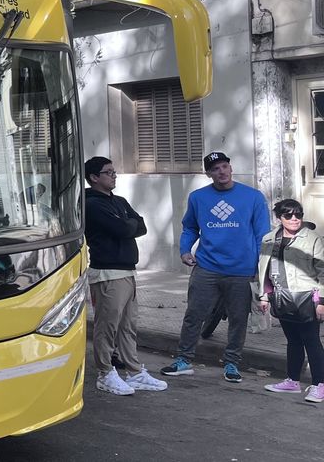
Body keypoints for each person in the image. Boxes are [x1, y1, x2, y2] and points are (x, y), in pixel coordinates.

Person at [161, 152, 269, 383]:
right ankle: (184, 359)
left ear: (231, 167)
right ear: (208, 173)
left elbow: (263, 235)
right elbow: (190, 227)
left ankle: (231, 363)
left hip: (241, 269)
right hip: (207, 267)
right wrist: (184, 250)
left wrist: (262, 268)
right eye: (215, 169)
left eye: (224, 166)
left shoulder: (253, 197)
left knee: (239, 319)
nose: (221, 172)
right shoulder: (198, 197)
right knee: (194, 314)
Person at [83, 156, 168, 395]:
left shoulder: (118, 201)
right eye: (108, 172)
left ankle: (134, 371)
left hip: (128, 270)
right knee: (107, 326)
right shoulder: (91, 204)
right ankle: (105, 373)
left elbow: (141, 225)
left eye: (114, 171)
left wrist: (127, 224)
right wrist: (127, 225)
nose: (114, 175)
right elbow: (124, 228)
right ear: (94, 178)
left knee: (128, 325)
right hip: (107, 273)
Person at [254, 198, 324, 401]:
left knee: (311, 341)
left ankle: (319, 384)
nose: (295, 219)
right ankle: (292, 381)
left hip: (307, 297)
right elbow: (264, 270)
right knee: (293, 341)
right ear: (279, 218)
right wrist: (264, 296)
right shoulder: (268, 239)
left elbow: (322, 271)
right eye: (289, 215)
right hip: (281, 296)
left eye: (299, 214)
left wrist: (322, 301)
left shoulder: (312, 239)